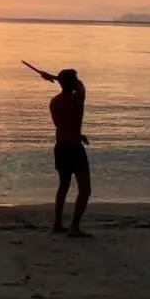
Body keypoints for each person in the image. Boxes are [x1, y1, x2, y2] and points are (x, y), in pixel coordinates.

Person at [42, 67, 91, 237]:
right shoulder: (77, 99)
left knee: (63, 186)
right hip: (74, 148)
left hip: (61, 146)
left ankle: (57, 224)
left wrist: (55, 78)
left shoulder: (54, 102)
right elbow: (80, 86)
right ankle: (75, 227)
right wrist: (56, 78)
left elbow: (64, 124)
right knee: (85, 189)